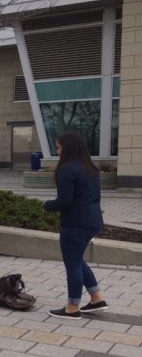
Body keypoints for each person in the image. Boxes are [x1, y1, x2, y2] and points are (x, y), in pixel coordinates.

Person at [44, 131, 106, 319]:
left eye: (58, 147)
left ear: (67, 147)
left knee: (72, 262)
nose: (58, 151)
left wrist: (46, 205)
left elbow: (65, 201)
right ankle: (96, 298)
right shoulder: (90, 168)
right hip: (93, 220)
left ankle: (72, 307)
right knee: (77, 259)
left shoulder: (67, 169)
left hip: (75, 223)